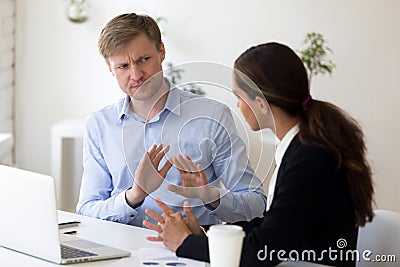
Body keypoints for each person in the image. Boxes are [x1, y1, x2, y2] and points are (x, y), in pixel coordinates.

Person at [145, 42, 375, 267]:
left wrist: (185, 243)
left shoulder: (310, 158)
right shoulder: (303, 147)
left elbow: (264, 250)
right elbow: (273, 226)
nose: (237, 105)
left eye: (240, 97)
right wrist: (207, 236)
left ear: (260, 104)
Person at [76, 13, 267, 227]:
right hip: (120, 251)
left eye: (144, 60)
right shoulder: (99, 125)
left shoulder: (212, 117)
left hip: (190, 252)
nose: (136, 74)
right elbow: (86, 210)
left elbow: (256, 204)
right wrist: (134, 195)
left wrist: (210, 195)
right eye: (123, 66)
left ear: (162, 52)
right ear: (110, 69)